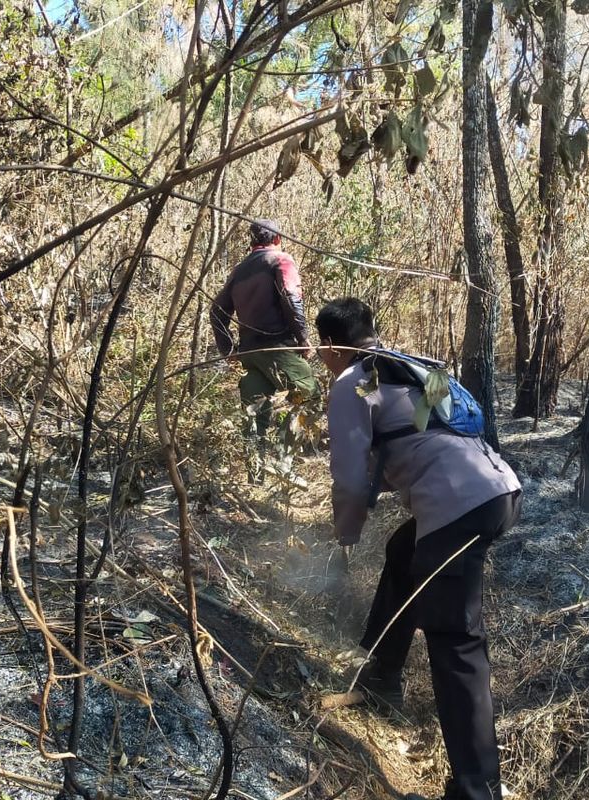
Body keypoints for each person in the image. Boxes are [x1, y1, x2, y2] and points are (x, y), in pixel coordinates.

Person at [315, 297, 522, 800]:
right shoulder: (415, 365)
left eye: (322, 350)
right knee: (405, 552)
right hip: (500, 491)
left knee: (455, 643)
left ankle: (476, 790)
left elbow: (349, 478)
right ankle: (381, 677)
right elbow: (432, 436)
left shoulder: (353, 382)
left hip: (458, 507)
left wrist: (346, 531)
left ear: (329, 346)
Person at [210, 219, 319, 440]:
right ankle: (290, 453)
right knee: (310, 396)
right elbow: (290, 297)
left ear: (251, 242)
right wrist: (303, 338)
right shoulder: (280, 260)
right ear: (277, 238)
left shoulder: (239, 271)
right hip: (277, 349)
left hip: (250, 354)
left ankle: (255, 461)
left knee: (254, 419)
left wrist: (229, 350)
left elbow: (216, 312)